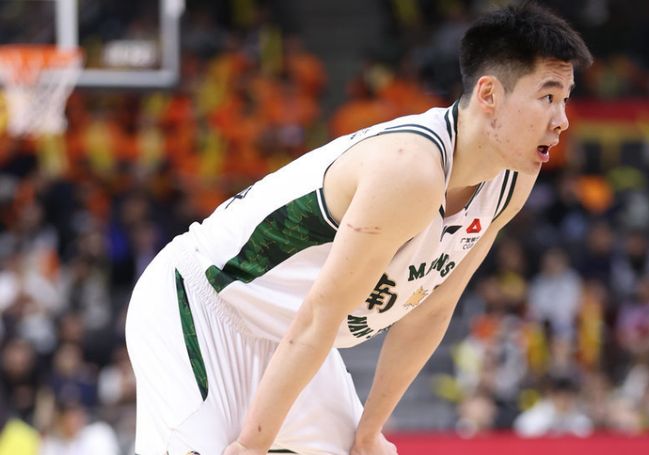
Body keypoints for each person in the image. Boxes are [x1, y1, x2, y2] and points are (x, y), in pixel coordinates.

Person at [125, 2, 592, 454]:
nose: (562, 121)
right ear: (489, 95)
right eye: (547, 98)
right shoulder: (412, 168)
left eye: (565, 100)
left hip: (289, 334)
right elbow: (321, 313)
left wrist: (370, 431)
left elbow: (432, 310)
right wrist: (252, 445)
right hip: (204, 303)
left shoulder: (513, 178)